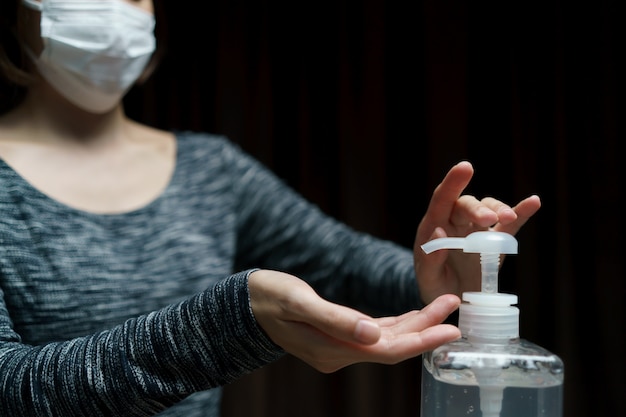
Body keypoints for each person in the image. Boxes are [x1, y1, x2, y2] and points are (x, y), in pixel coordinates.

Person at [0, 0, 542, 416]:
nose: (112, 12)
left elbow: (343, 261)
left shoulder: (211, 168)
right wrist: (227, 324)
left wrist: (440, 277)